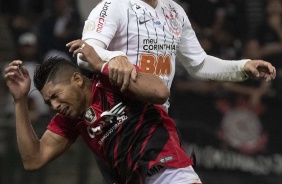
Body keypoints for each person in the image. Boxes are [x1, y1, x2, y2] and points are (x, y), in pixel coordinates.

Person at [4, 40, 202, 184]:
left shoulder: (112, 77)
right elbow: (33, 160)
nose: (54, 105)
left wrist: (101, 65)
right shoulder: (69, 119)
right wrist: (19, 101)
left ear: (77, 79)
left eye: (56, 95)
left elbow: (161, 92)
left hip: (168, 172)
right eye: (48, 103)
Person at [76, 0, 276, 112]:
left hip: (158, 115)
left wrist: (242, 67)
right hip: (119, 115)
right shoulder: (112, 6)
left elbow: (199, 65)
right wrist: (115, 57)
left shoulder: (175, 11)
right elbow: (84, 53)